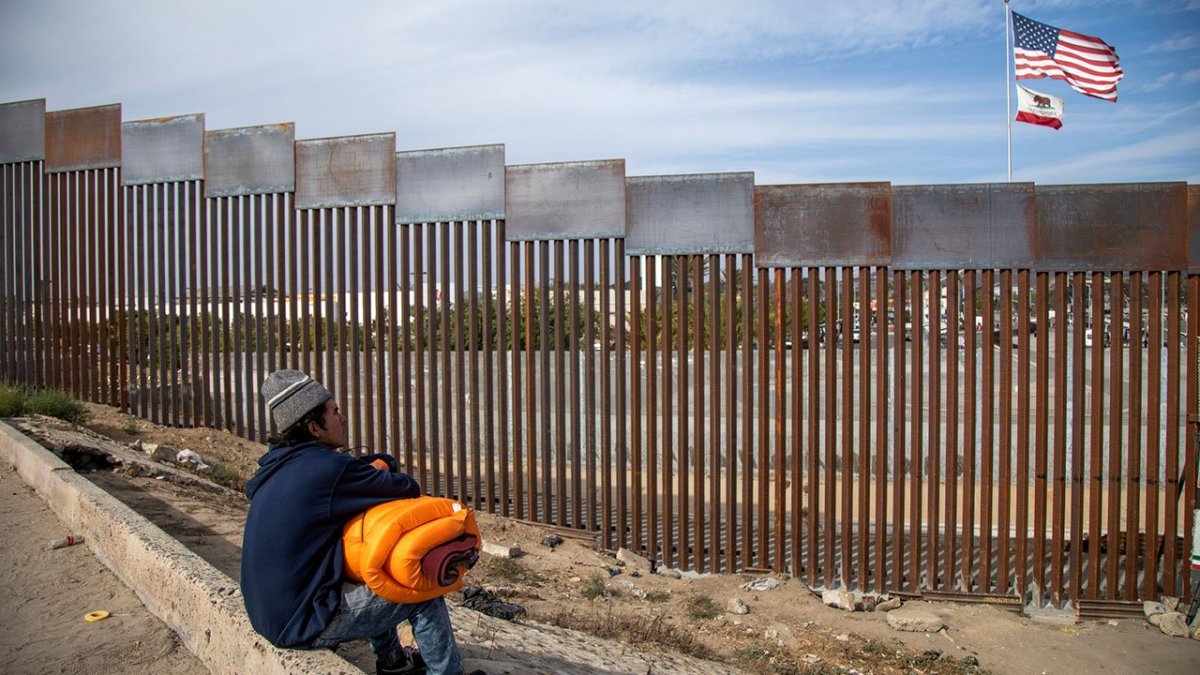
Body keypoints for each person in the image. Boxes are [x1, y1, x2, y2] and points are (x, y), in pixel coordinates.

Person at [241, 369, 469, 675]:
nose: (342, 418)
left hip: (269, 614)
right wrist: (384, 464)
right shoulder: (329, 470)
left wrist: (373, 466)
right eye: (334, 412)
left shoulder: (278, 468)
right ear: (314, 427)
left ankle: (393, 663)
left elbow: (347, 474)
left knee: (368, 564)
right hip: (303, 623)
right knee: (424, 590)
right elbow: (405, 487)